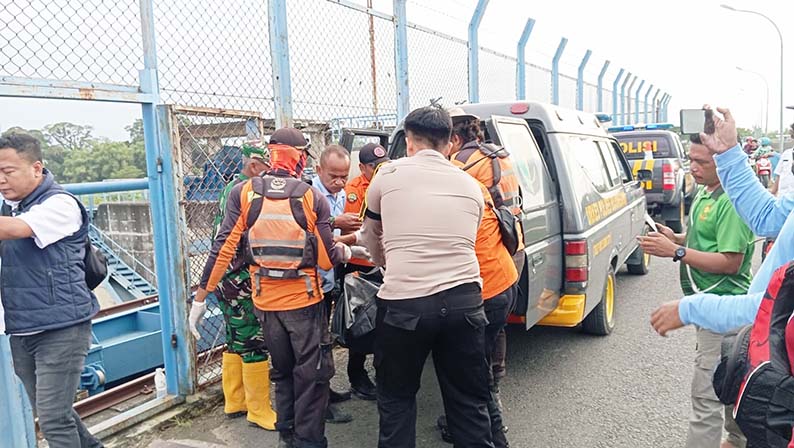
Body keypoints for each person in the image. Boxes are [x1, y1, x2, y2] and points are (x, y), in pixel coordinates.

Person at [191, 127, 352, 448]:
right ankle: (308, 442)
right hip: (304, 304)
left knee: (281, 373)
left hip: (265, 303)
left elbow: (223, 248)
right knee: (310, 377)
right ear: (301, 156)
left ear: (271, 153)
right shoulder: (310, 196)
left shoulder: (245, 193)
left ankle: (286, 438)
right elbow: (324, 258)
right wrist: (345, 250)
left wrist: (199, 300)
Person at [360, 106, 494, 448]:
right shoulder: (472, 186)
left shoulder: (387, 175)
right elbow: (467, 236)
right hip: (465, 302)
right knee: (468, 402)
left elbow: (371, 234)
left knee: (396, 401)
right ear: (450, 143)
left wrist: (386, 264)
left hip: (405, 305)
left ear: (408, 141)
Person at [639, 133, 752, 448]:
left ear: (723, 161)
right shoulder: (706, 193)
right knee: (731, 385)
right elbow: (702, 235)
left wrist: (676, 253)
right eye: (691, 159)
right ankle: (738, 439)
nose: (693, 167)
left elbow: (731, 262)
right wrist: (676, 238)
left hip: (725, 314)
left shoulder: (730, 200)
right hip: (710, 310)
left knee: (706, 399)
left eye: (702, 162)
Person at [650, 108, 794, 337]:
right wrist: (728, 152)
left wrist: (690, 308)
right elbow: (768, 217)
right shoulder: (705, 192)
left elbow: (777, 307)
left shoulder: (725, 202)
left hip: (762, 329)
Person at [0, 133, 104, 448]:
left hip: (62, 328)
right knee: (54, 412)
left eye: (8, 171)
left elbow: (19, 231)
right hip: (21, 328)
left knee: (53, 421)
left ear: (36, 168)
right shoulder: (8, 208)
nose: (2, 180)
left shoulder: (60, 204)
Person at [189, 142, 276, 429]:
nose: (271, 173)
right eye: (267, 167)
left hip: (225, 279)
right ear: (254, 166)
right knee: (253, 340)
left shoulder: (230, 189)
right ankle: (259, 409)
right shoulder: (248, 191)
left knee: (234, 337)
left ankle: (235, 400)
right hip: (240, 279)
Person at [311, 144, 360, 422]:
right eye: (333, 176)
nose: (340, 182)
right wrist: (349, 237)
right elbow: (316, 239)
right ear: (319, 170)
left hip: (328, 279)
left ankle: (326, 391)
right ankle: (318, 406)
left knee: (325, 339)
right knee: (315, 345)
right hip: (311, 282)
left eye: (344, 176)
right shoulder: (310, 195)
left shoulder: (339, 194)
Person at [339, 142, 390, 400]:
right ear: (362, 168)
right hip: (359, 266)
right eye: (373, 166)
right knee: (359, 325)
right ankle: (357, 377)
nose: (379, 169)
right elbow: (352, 229)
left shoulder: (391, 184)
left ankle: (383, 376)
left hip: (384, 266)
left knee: (385, 325)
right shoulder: (353, 190)